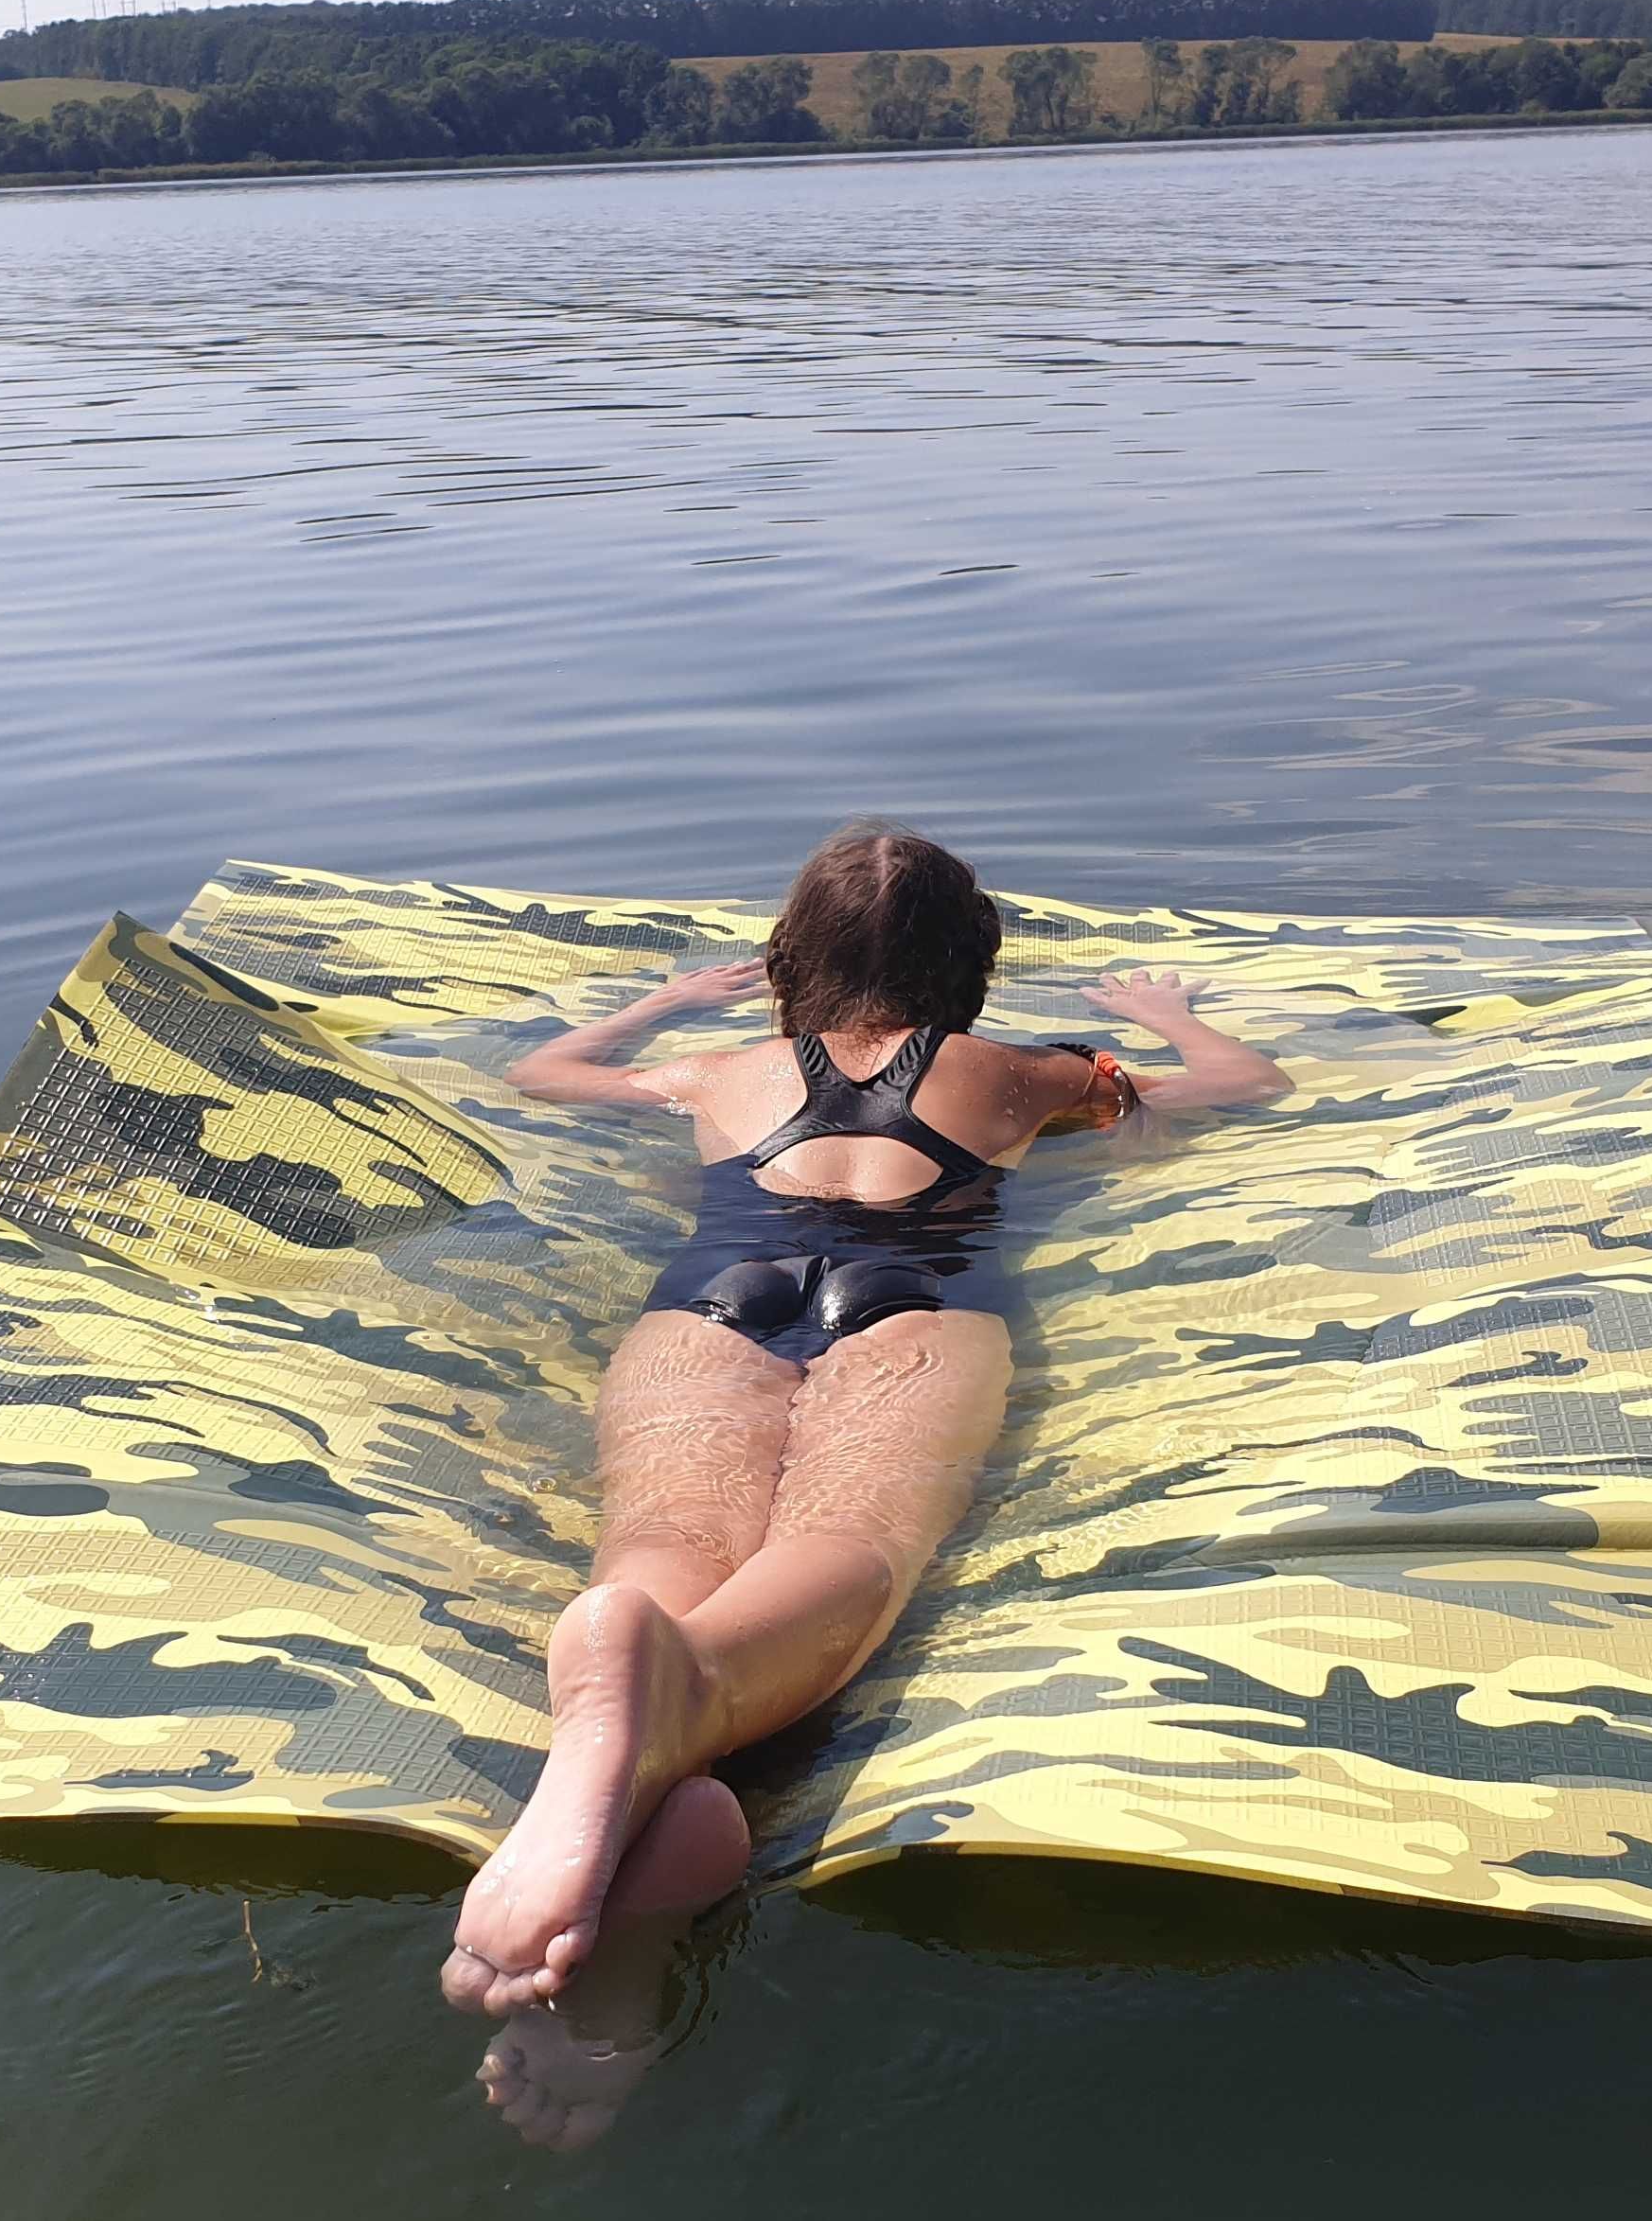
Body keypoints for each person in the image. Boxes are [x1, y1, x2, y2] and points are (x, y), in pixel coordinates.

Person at [440, 821, 1292, 2040]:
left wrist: (661, 1005)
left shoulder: (723, 1071)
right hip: (920, 1308)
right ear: (971, 964)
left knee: (672, 1526)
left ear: (791, 959)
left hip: (708, 1305)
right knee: (855, 1530)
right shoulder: (1016, 1071)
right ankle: (689, 1691)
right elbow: (1243, 1089)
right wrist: (1167, 1016)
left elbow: (543, 1077)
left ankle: (637, 1681)